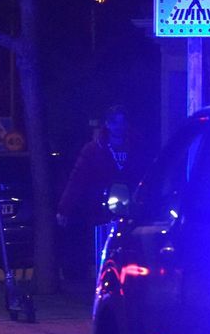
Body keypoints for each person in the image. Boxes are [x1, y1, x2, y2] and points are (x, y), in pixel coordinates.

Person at [56, 105, 147, 280]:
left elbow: (146, 173)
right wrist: (64, 207)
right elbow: (77, 178)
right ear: (107, 124)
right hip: (101, 209)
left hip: (132, 206)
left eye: (122, 123)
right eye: (115, 123)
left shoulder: (137, 147)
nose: (119, 127)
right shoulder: (94, 149)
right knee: (102, 244)